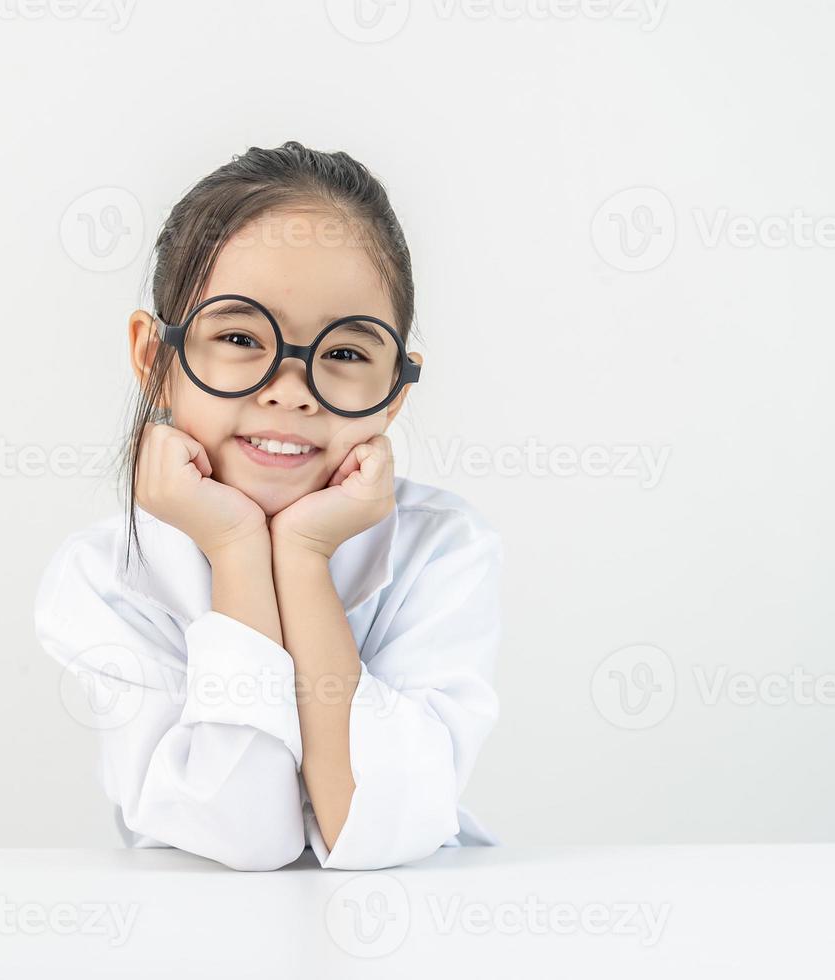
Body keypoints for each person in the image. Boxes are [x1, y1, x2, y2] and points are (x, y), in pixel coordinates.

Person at [34, 141, 502, 871]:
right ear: (155, 358)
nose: (292, 388)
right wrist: (236, 552)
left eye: (346, 353)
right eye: (241, 337)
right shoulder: (106, 576)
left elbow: (373, 828)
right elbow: (239, 834)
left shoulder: (443, 550)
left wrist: (305, 559)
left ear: (396, 389)